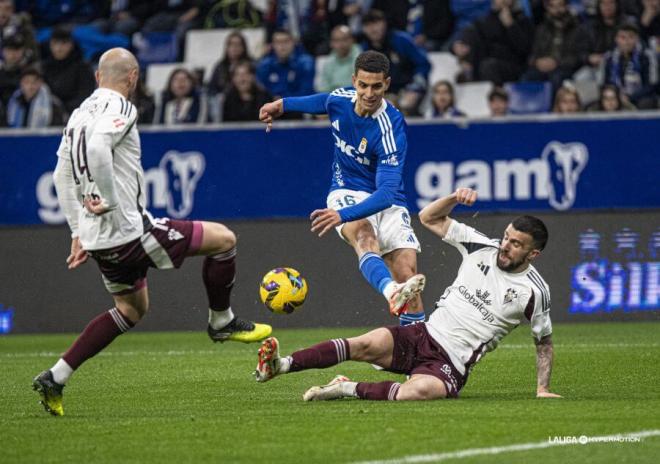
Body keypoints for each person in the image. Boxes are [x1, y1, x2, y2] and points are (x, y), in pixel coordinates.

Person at [32, 48, 271, 417]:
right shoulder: (122, 107)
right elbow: (98, 149)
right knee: (224, 241)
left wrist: (77, 230)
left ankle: (56, 376)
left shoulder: (79, 114)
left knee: (130, 309)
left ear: (97, 77)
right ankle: (221, 321)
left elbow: (62, 173)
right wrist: (110, 200)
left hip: (99, 239)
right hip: (129, 231)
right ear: (133, 78)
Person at [254, 188, 561, 402]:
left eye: (516, 244)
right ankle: (279, 366)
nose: (505, 246)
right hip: (421, 335)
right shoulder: (481, 246)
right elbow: (429, 217)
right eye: (506, 237)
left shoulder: (534, 291)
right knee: (361, 344)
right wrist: (454, 198)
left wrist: (542, 388)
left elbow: (543, 343)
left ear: (533, 253)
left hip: (450, 364)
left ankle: (343, 389)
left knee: (418, 392)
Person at [259, 50, 426, 326]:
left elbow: (385, 194)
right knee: (364, 236)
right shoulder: (341, 98)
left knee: (408, 276)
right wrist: (282, 105)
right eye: (363, 85)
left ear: (387, 84)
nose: (369, 93)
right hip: (345, 188)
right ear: (354, 81)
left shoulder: (390, 129)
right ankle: (391, 291)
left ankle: (418, 358)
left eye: (376, 86)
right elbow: (323, 101)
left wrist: (341, 216)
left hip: (388, 199)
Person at [360, 9, 431, 115]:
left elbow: (424, 64)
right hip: (383, 93)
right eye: (368, 25)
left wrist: (415, 87)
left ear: (384, 23)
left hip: (408, 88)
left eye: (376, 23)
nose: (372, 29)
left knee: (404, 104)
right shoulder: (364, 49)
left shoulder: (401, 40)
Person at [451, 0, 534, 85]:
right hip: (486, 62)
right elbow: (470, 36)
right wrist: (457, 45)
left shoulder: (523, 20)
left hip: (513, 65)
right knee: (470, 33)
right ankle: (466, 72)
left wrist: (510, 26)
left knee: (488, 66)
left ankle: (496, 95)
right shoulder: (485, 20)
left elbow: (525, 49)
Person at [599, 22, 659, 109]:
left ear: (636, 38)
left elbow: (652, 85)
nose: (627, 42)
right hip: (615, 97)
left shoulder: (647, 56)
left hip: (640, 97)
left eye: (631, 37)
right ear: (616, 39)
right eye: (623, 37)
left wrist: (630, 97)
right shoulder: (608, 58)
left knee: (647, 102)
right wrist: (617, 96)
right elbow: (603, 84)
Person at [524, 0, 580, 90]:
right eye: (553, 6)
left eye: (560, 5)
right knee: (527, 78)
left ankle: (555, 104)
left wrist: (556, 62)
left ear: (567, 6)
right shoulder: (541, 29)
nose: (557, 10)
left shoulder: (576, 29)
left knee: (556, 78)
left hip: (563, 67)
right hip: (542, 67)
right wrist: (537, 62)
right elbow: (533, 53)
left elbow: (577, 57)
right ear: (548, 8)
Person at [41, 25, 96, 115]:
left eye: (63, 43)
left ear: (71, 45)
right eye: (55, 43)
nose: (59, 48)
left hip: (75, 116)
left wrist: (63, 109)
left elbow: (85, 96)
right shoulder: (44, 67)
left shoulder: (83, 68)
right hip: (47, 114)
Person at [207, 30, 253, 96]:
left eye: (238, 44)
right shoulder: (219, 66)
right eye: (231, 44)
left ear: (243, 47)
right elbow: (211, 89)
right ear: (227, 47)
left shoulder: (252, 65)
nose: (234, 47)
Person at [317, 25, 361, 92]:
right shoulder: (329, 61)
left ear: (352, 40)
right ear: (331, 43)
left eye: (344, 39)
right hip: (333, 98)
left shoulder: (360, 58)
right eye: (337, 40)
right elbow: (323, 88)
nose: (341, 44)